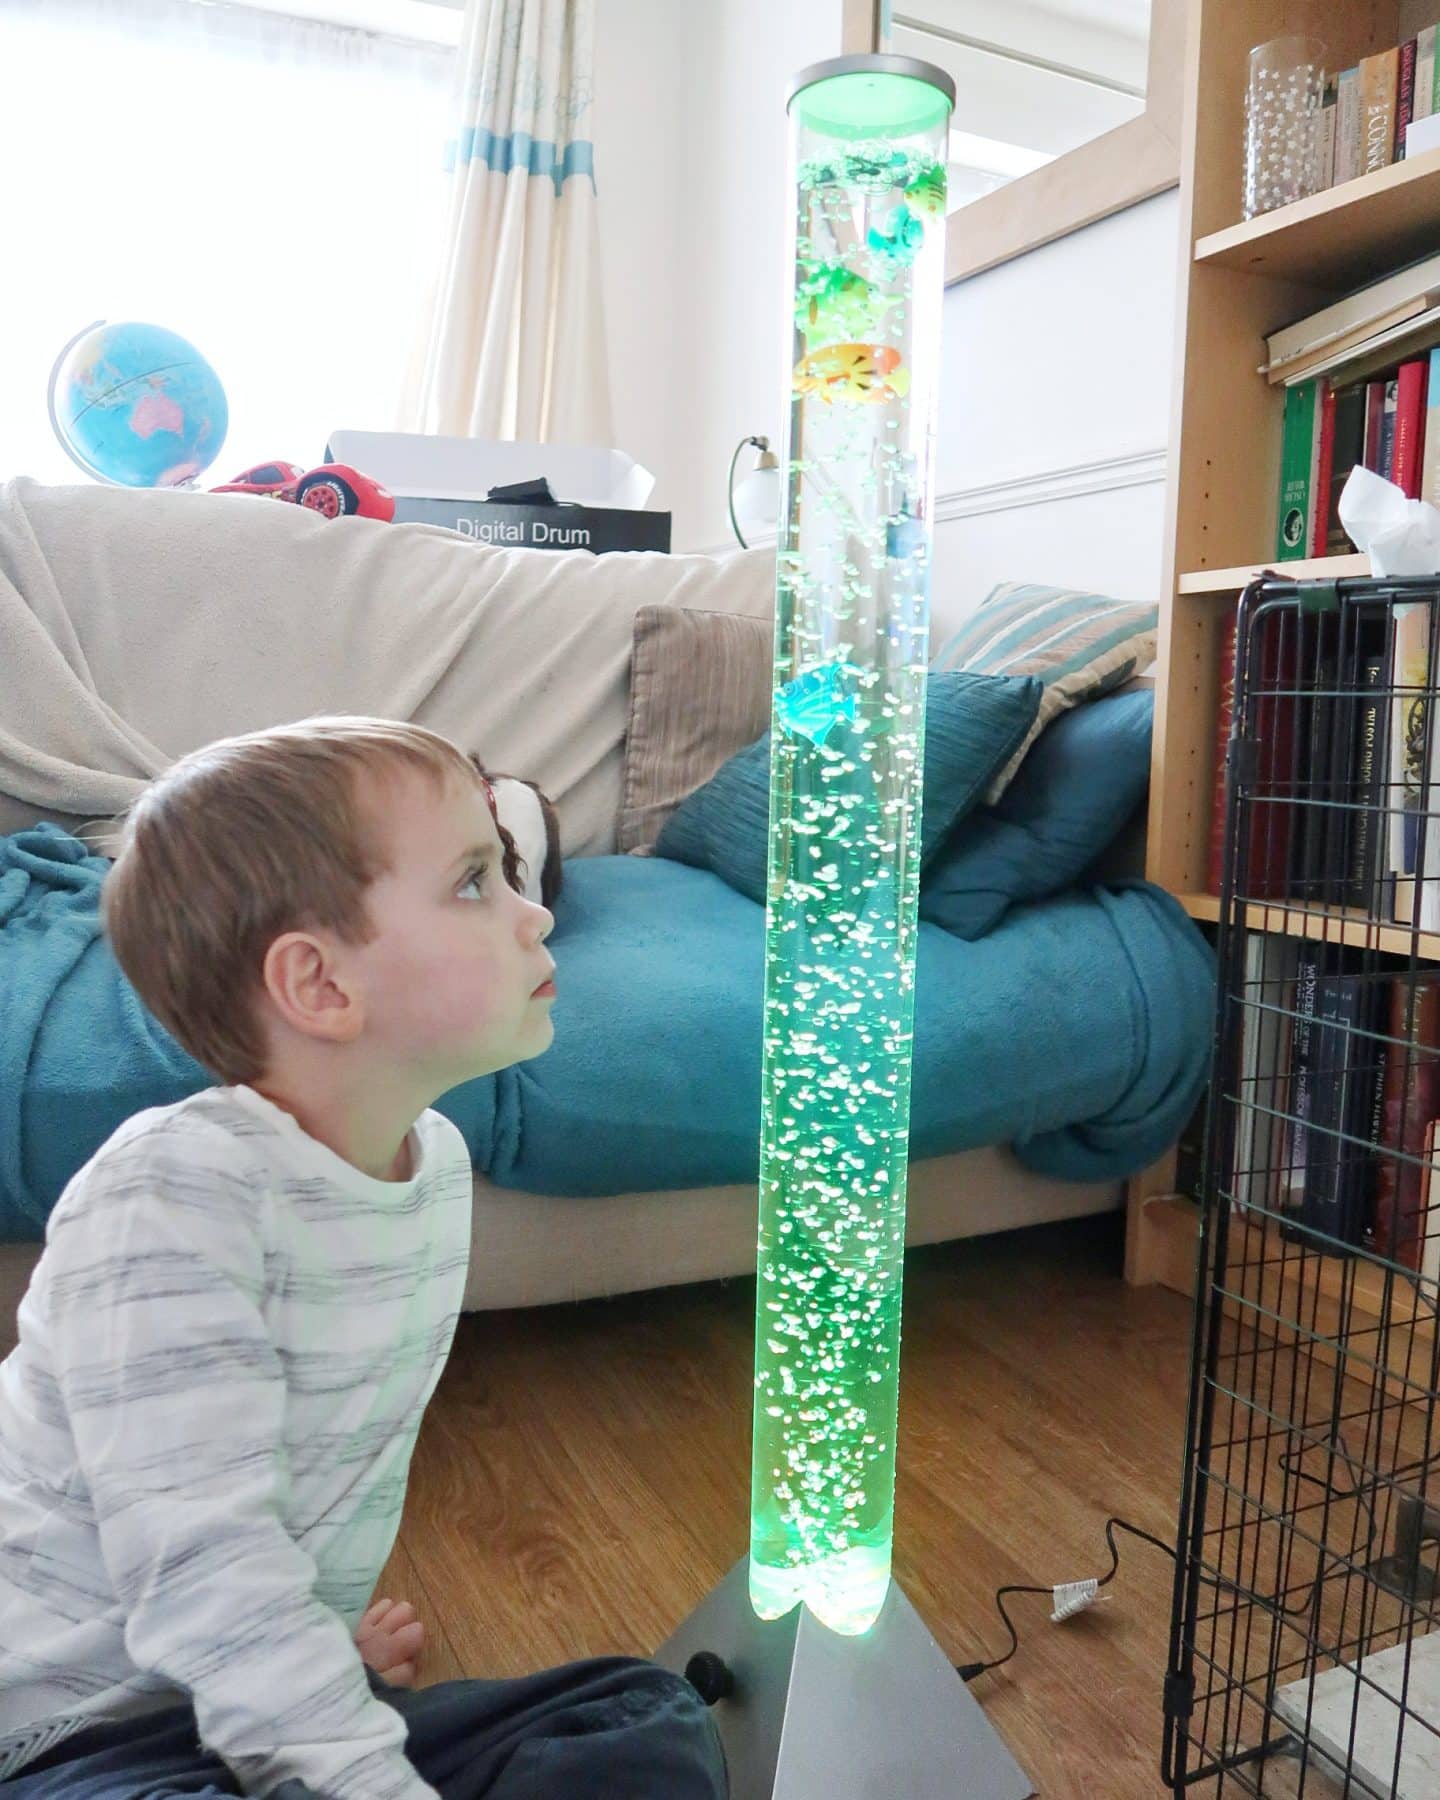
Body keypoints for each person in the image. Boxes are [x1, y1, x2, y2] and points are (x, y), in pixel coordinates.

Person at [0, 718, 726, 1800]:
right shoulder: (170, 1194)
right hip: (73, 1733)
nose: (535, 915)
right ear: (322, 986)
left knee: (642, 1712)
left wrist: (319, 1662)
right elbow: (201, 1565)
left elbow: (316, 1474)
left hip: (233, 1703)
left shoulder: (429, 1166)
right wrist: (346, 1759)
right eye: (477, 880)